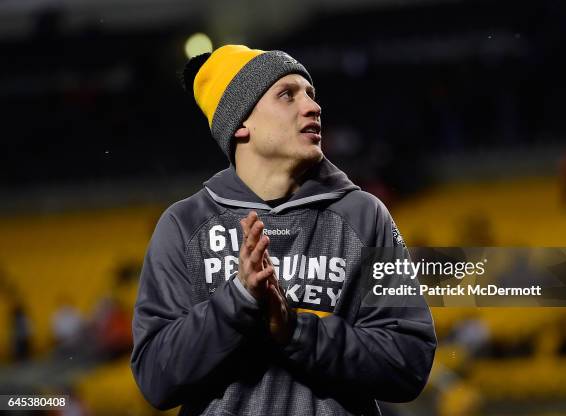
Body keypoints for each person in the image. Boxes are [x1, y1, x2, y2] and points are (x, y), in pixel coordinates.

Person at [130, 44, 436, 416]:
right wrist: (238, 301)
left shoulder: (365, 215)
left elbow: (409, 362)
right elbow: (155, 380)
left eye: (310, 94)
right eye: (287, 95)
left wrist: (293, 332)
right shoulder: (183, 225)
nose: (312, 106)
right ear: (241, 123)